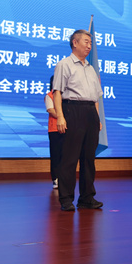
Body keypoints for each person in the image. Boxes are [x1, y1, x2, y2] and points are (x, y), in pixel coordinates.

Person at [53, 29, 103, 211]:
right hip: (72, 109)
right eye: (86, 42)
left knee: (89, 159)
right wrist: (60, 116)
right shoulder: (64, 64)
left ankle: (87, 198)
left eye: (91, 43)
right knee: (70, 157)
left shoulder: (91, 69)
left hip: (90, 112)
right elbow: (57, 92)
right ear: (75, 43)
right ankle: (66, 199)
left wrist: (97, 118)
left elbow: (95, 97)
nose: (89, 46)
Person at [45, 75, 63, 189]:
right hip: (54, 129)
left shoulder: (65, 95)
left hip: (65, 129)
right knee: (56, 154)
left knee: (65, 155)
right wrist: (62, 117)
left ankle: (64, 178)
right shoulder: (49, 95)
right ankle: (55, 179)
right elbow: (50, 110)